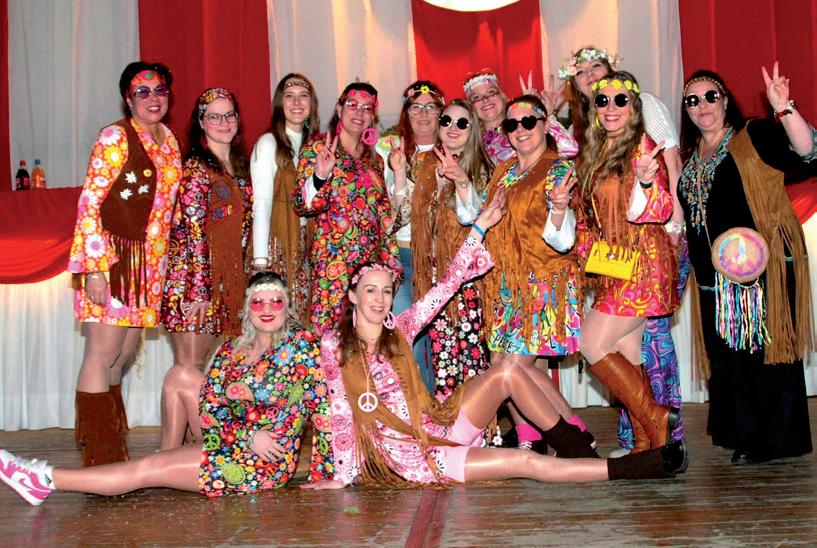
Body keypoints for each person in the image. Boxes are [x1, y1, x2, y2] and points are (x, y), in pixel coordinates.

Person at [302, 195, 687, 489]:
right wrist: (343, 476)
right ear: (352, 295)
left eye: (386, 291)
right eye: (370, 291)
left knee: (507, 371)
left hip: (442, 422)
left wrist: (480, 228)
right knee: (526, 464)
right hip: (418, 458)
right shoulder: (334, 347)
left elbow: (448, 284)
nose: (379, 300)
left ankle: (576, 448)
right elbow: (340, 413)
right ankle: (637, 467)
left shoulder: (400, 327)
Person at [0, 272, 333, 505]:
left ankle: (43, 477)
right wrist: (246, 434)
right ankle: (162, 462)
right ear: (248, 309)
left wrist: (329, 473)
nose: (268, 309)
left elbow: (322, 408)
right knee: (162, 433)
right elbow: (211, 405)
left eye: (276, 302)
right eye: (259, 303)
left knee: (146, 469)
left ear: (287, 306)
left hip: (261, 464)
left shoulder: (301, 345)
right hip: (233, 439)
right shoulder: (233, 350)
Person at [678, 64, 815, 465]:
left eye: (711, 96)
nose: (703, 105)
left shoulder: (752, 136)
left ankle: (773, 439)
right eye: (692, 100)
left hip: (760, 270)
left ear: (725, 101)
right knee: (728, 356)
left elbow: (807, 151)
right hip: (713, 278)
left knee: (763, 351)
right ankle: (743, 433)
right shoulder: (691, 158)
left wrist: (784, 107)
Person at [560, 46, 688, 455]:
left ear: (634, 106)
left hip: (644, 265)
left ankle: (656, 418)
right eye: (603, 101)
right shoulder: (596, 151)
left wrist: (647, 183)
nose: (611, 108)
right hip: (614, 266)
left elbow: (659, 208)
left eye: (620, 100)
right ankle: (647, 446)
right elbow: (590, 213)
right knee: (627, 352)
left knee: (591, 343)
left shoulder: (642, 147)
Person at [456, 95, 589, 450]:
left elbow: (563, 241)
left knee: (512, 369)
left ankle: (572, 442)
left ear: (545, 125)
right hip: (507, 285)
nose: (520, 130)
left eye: (528, 121)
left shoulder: (558, 169)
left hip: (544, 281)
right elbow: (485, 217)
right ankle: (544, 436)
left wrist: (559, 209)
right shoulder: (504, 171)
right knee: (508, 366)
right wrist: (462, 182)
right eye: (512, 124)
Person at [66, 61, 182, 466]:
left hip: (149, 268)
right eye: (142, 92)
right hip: (115, 261)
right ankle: (101, 457)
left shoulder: (168, 139)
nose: (153, 98)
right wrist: (95, 268)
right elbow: (90, 203)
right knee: (102, 353)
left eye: (159, 90)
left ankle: (112, 444)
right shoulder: (115, 136)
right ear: (128, 99)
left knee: (122, 354)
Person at [159, 88, 253, 449]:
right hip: (192, 284)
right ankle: (172, 453)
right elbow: (192, 231)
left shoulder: (238, 167)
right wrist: (199, 291)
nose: (223, 122)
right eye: (214, 116)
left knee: (196, 371)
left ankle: (180, 453)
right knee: (188, 369)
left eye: (229, 115)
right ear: (201, 122)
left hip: (222, 282)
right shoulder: (196, 170)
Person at [292, 82, 402, 335]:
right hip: (333, 267)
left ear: (373, 115)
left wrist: (390, 264)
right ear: (339, 108)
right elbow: (301, 204)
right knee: (331, 340)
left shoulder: (374, 159)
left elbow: (384, 216)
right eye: (353, 105)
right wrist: (320, 175)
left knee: (368, 338)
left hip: (370, 270)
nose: (359, 112)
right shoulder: (318, 148)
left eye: (367, 108)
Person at [411, 99, 493, 396]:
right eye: (446, 121)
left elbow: (472, 217)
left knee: (472, 362)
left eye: (462, 123)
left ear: (473, 129)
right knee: (443, 359)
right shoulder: (425, 164)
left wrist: (461, 180)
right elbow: (410, 216)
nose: (452, 128)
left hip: (467, 279)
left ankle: (479, 422)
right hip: (434, 278)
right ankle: (449, 422)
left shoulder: (483, 167)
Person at [376, 80, 445, 383]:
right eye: (416, 108)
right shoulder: (388, 150)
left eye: (431, 107)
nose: (424, 114)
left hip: (441, 259)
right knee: (408, 338)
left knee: (441, 345)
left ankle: (440, 406)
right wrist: (399, 172)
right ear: (406, 112)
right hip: (402, 257)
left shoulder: (455, 146)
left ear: (441, 112)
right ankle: (417, 406)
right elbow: (393, 217)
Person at [250, 73, 320, 321]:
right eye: (289, 96)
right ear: (280, 103)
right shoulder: (269, 143)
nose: (297, 103)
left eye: (303, 96)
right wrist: (261, 263)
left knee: (302, 321)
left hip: (306, 248)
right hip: (276, 245)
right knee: (275, 322)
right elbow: (261, 205)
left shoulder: (316, 146)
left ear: (312, 104)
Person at [463, 69, 578, 165]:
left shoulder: (521, 129)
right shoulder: (471, 142)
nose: (485, 99)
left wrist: (544, 115)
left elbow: (569, 149)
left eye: (491, 92)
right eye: (476, 97)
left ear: (501, 96)